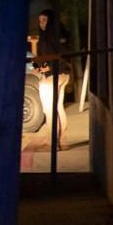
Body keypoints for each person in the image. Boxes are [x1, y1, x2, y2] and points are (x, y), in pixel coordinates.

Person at [32, 8, 71, 142]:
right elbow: (41, 58)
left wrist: (48, 68)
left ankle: (53, 139)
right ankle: (61, 139)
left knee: (49, 108)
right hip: (54, 74)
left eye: (44, 20)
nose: (42, 24)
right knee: (57, 106)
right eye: (40, 21)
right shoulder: (45, 38)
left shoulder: (55, 36)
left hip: (57, 75)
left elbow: (61, 57)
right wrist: (38, 67)